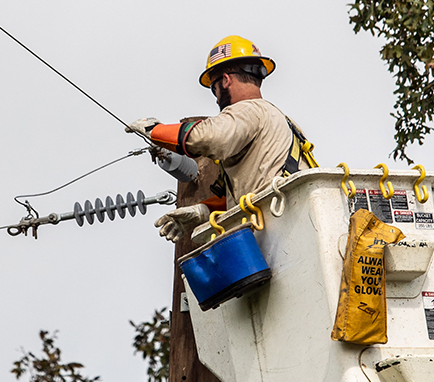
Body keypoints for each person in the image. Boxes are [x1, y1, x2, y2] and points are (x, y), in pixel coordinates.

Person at [127, 35, 317, 242]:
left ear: (225, 80)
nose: (216, 98)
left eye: (213, 88)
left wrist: (154, 130)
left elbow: (205, 137)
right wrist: (203, 211)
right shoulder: (281, 121)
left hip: (279, 229)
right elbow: (252, 189)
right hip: (293, 223)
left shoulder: (247, 111)